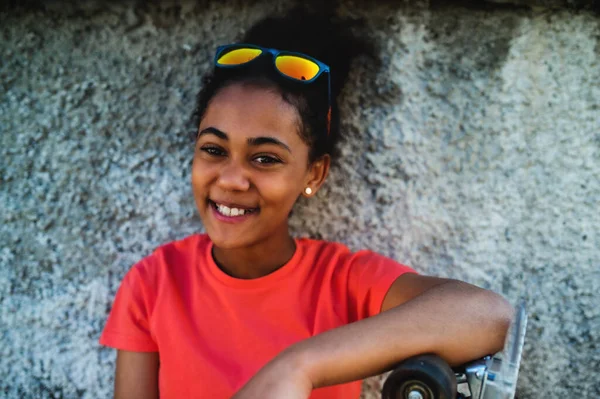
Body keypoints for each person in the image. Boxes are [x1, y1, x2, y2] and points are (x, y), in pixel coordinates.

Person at [99, 8, 514, 399]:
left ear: (313, 174)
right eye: (213, 149)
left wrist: (298, 366)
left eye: (265, 158)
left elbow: (488, 315)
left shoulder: (341, 283)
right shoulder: (155, 283)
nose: (230, 178)